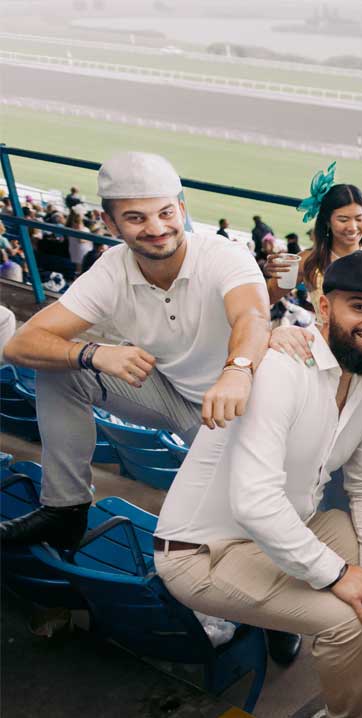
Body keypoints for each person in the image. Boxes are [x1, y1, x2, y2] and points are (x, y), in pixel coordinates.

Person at [155, 250, 362, 718]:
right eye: (361, 307)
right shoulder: (283, 369)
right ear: (325, 309)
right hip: (205, 553)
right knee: (344, 620)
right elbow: (255, 501)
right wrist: (338, 575)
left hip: (292, 529)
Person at [0, 152, 270, 549]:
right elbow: (21, 343)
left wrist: (238, 370)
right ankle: (65, 509)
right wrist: (92, 353)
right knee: (60, 368)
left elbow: (252, 316)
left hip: (235, 411)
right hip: (170, 393)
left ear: (181, 208)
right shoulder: (112, 268)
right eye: (136, 218)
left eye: (165, 213)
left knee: (245, 524)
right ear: (110, 223)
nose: (156, 228)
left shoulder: (223, 255)